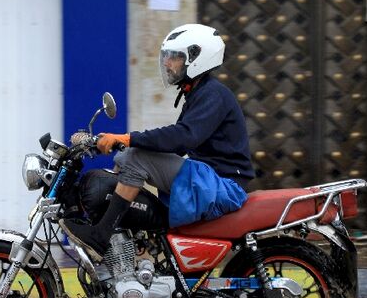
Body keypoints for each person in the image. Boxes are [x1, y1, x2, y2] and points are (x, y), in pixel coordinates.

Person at [61, 23, 255, 262]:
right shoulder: (198, 92)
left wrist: (126, 138)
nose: (167, 62)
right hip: (207, 179)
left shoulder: (213, 94)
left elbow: (183, 137)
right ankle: (127, 235)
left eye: (175, 57)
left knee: (134, 156)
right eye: (168, 56)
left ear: (196, 58)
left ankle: (101, 236)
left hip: (222, 186)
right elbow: (181, 142)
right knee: (126, 156)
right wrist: (125, 143)